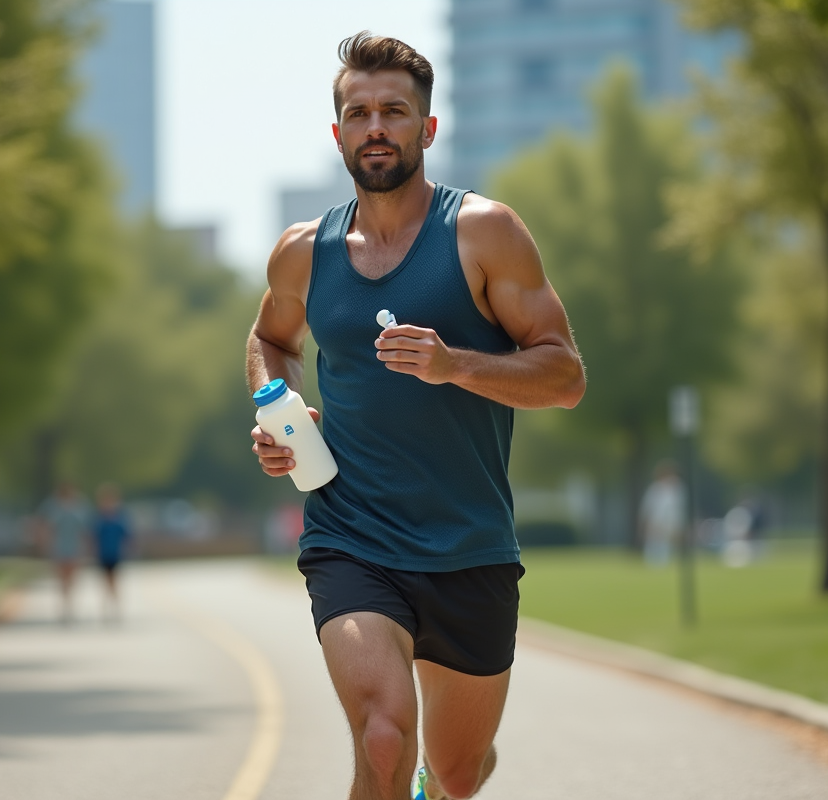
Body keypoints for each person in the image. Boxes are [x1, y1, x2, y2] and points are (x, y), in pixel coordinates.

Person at [246, 32, 585, 800]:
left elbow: (565, 376)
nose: (376, 128)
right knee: (385, 733)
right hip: (353, 537)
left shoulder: (485, 232)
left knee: (459, 774)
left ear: (426, 129)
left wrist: (455, 363)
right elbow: (269, 339)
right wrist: (278, 413)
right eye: (359, 113)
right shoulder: (304, 252)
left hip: (470, 545)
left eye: (394, 111)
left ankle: (453, 774)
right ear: (337, 134)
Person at [36, 480, 91, 624]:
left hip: (75, 546)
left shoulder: (81, 504)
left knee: (72, 577)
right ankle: (64, 606)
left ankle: (69, 604)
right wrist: (44, 543)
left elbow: (85, 528)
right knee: (61, 578)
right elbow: (44, 525)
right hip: (58, 547)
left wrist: (86, 546)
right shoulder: (51, 505)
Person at [91, 482, 132, 620]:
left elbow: (127, 535)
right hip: (103, 554)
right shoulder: (99, 518)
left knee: (114, 581)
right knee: (105, 582)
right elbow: (93, 537)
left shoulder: (119, 518)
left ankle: (115, 607)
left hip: (115, 554)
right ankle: (106, 608)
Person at [640, 461, 686, 566]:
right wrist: (647, 526)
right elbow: (648, 509)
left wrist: (679, 526)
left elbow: (679, 511)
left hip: (670, 525)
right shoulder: (654, 489)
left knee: (666, 550)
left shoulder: (678, 490)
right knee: (653, 549)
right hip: (655, 524)